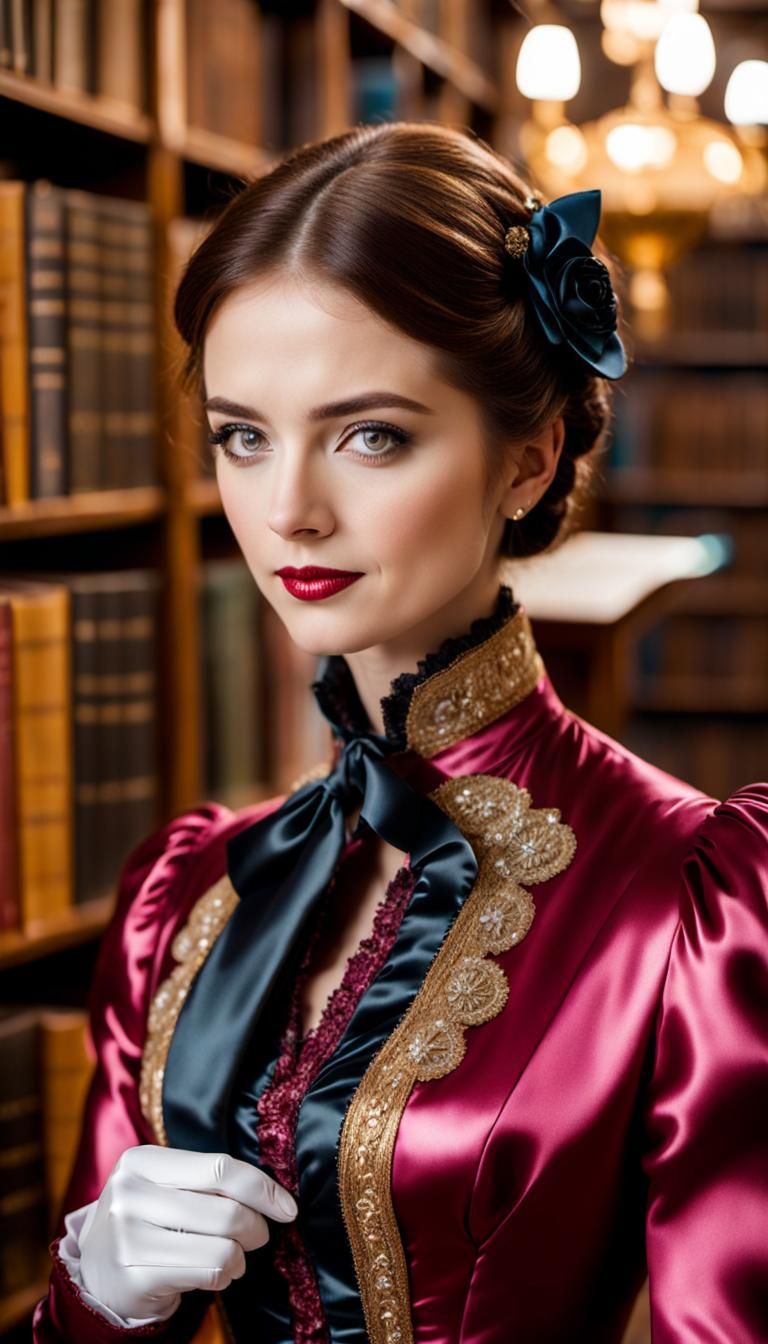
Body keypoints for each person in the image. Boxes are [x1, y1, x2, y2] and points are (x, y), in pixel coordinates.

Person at [33, 121, 767, 1344]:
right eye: (242, 436)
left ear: (526, 460)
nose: (288, 510)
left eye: (371, 434)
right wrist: (98, 1297)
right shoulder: (187, 891)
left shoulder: (691, 899)